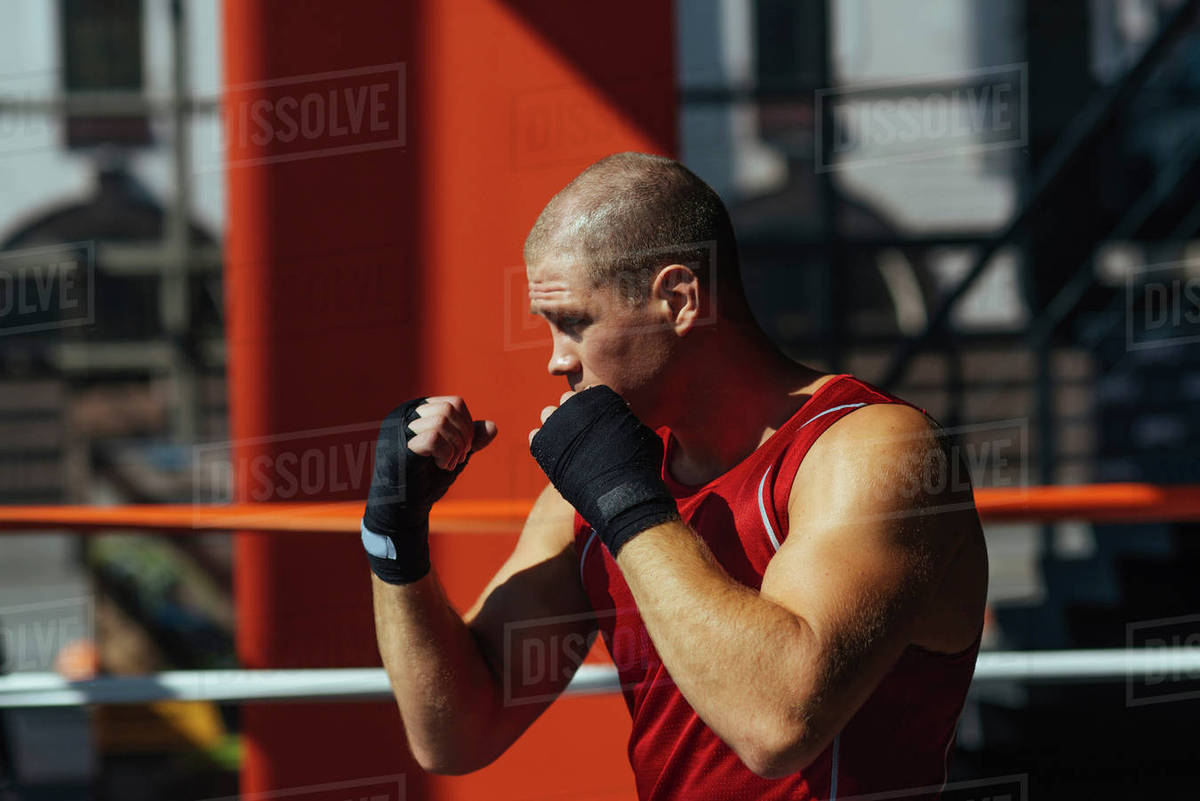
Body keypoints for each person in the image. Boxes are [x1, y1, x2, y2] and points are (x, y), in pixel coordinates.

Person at [362, 152, 988, 800]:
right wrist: (394, 534)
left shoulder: (875, 449)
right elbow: (456, 733)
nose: (555, 359)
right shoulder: (596, 493)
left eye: (574, 323)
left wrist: (628, 504)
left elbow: (778, 723)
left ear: (679, 299)